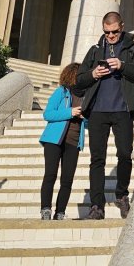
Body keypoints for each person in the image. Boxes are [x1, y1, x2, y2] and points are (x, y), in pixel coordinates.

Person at [75, 11, 134, 219]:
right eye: (107, 32)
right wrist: (92, 74)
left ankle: (121, 195)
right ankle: (96, 205)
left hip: (123, 110)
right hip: (98, 111)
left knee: (125, 154)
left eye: (114, 32)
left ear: (122, 27)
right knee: (96, 159)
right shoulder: (95, 50)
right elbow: (79, 81)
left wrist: (123, 66)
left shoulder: (133, 48)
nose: (111, 36)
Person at [39, 62, 86, 221]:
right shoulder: (61, 92)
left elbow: (89, 123)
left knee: (67, 179)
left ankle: (60, 212)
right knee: (50, 174)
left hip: (73, 142)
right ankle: (45, 209)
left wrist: (86, 118)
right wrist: (70, 112)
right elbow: (48, 114)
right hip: (54, 140)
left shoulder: (86, 96)